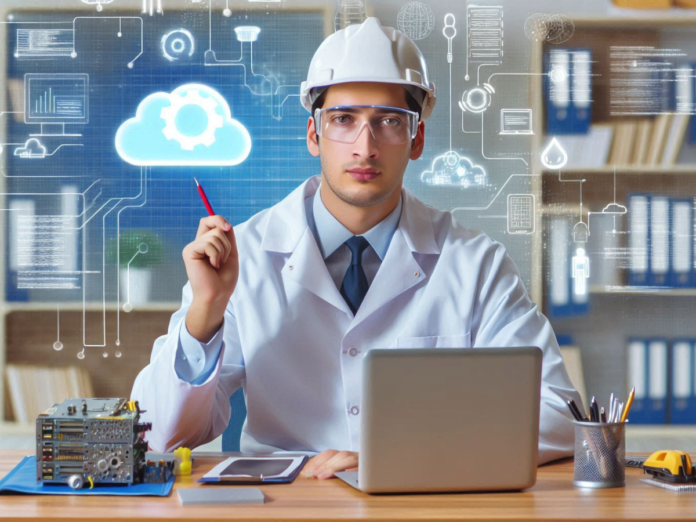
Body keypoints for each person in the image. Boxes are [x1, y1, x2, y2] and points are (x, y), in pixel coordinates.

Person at [131, 17, 583, 480]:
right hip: (287, 503)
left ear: (417, 139)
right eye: (343, 120)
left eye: (388, 122)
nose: (365, 148)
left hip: (423, 502)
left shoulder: (474, 262)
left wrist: (406, 459)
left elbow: (561, 414)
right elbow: (159, 435)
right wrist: (206, 312)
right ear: (314, 135)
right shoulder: (243, 254)